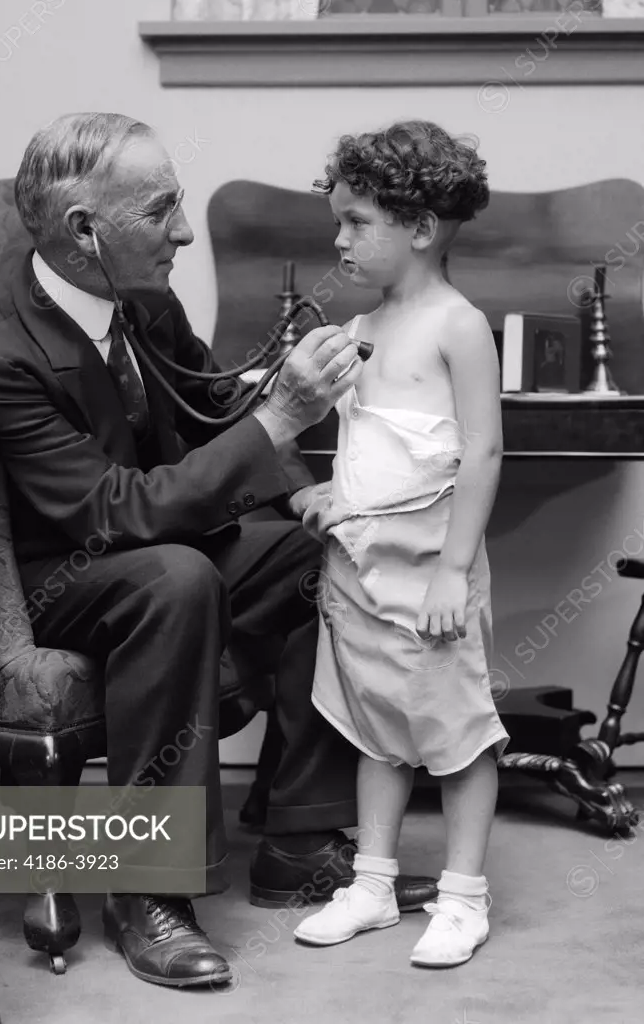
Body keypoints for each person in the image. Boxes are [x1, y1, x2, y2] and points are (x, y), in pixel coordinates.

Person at [0, 113, 437, 989]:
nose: (183, 230)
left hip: (156, 545)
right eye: (160, 209)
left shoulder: (146, 306)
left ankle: (296, 834)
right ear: (85, 230)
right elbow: (105, 512)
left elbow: (211, 424)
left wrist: (309, 496)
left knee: (333, 555)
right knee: (176, 576)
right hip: (44, 577)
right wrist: (283, 416)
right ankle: (147, 893)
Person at [292, 120, 509, 967]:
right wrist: (330, 492)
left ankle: (462, 897)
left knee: (456, 732)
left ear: (418, 228)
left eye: (356, 221)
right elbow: (374, 443)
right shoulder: (363, 324)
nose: (337, 237)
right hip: (358, 567)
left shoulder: (458, 325)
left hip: (429, 568)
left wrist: (456, 567)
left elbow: (480, 451)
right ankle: (374, 883)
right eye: (337, 219)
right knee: (373, 726)